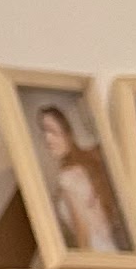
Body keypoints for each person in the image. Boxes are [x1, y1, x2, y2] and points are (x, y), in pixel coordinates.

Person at [31, 98, 129, 260]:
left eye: (52, 131)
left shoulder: (68, 177)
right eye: (44, 131)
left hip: (94, 255)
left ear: (67, 132)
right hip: (110, 251)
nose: (47, 139)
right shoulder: (85, 168)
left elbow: (82, 232)